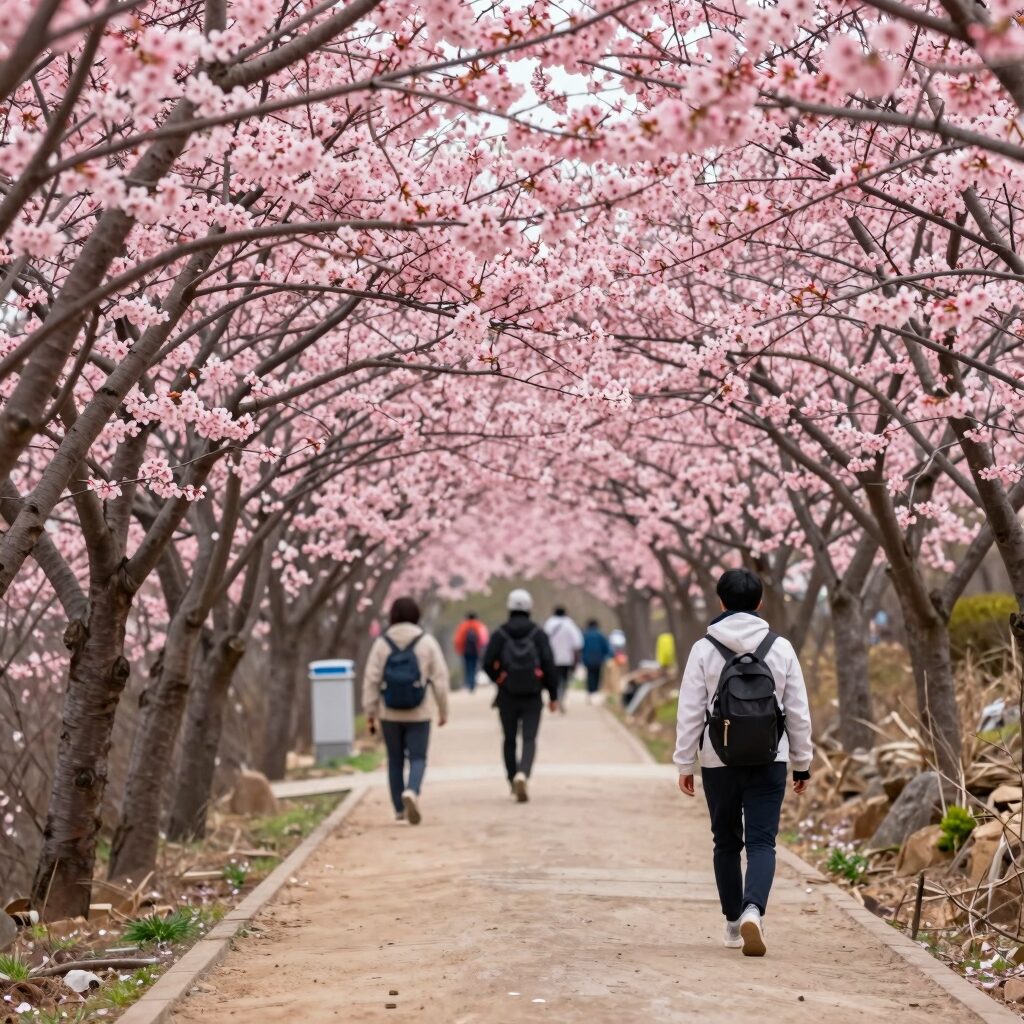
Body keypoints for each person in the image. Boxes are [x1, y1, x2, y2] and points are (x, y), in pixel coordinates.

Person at [674, 568, 813, 957]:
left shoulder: (704, 649)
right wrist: (802, 762)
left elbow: (689, 711)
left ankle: (733, 923)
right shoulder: (780, 647)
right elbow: (798, 711)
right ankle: (755, 909)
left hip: (719, 759)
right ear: (759, 603)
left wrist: (685, 763)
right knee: (762, 842)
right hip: (770, 758)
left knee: (726, 842)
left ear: (720, 601)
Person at [362, 596, 450, 825]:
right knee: (418, 757)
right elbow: (440, 678)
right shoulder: (426, 642)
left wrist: (370, 711)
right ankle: (412, 790)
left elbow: (371, 679)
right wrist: (443, 710)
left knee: (395, 759)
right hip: (419, 711)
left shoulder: (382, 643)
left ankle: (400, 809)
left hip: (390, 712)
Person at [483, 589, 558, 802]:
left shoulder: (500, 634)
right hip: (533, 694)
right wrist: (553, 695)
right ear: (529, 608)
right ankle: (523, 773)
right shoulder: (538, 633)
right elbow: (549, 665)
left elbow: (487, 662)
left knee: (509, 738)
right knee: (529, 737)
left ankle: (511, 779)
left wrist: (498, 678)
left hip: (507, 694)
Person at [543, 606, 583, 712]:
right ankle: (561, 698)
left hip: (551, 658)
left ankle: (555, 698)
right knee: (564, 680)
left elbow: (543, 641)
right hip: (566, 658)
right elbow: (578, 642)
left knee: (553, 680)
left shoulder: (549, 624)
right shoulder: (570, 624)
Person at [453, 612, 489, 693]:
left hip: (465, 651)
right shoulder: (479, 625)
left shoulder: (463, 626)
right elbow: (484, 640)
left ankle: (469, 683)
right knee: (474, 666)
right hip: (476, 650)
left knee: (467, 667)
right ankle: (472, 684)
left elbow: (458, 640)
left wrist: (459, 649)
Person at [581, 619, 613, 701]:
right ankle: (594, 692)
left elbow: (581, 648)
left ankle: (590, 692)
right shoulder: (601, 635)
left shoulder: (585, 635)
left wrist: (582, 658)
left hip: (588, 659)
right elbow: (606, 648)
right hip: (598, 659)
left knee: (589, 675)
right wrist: (608, 656)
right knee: (597, 675)